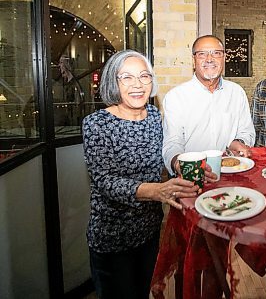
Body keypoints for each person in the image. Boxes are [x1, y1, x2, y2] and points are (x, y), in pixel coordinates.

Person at [82, 50, 200, 299]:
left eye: (144, 76)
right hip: (113, 239)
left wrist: (186, 170)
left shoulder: (155, 117)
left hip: (149, 232)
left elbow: (165, 158)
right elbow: (105, 181)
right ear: (113, 83)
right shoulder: (96, 124)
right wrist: (157, 191)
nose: (137, 84)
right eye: (126, 77)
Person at [162, 34, 255, 175]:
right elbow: (172, 143)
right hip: (193, 176)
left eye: (216, 53)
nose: (209, 59)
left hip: (232, 174)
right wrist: (180, 165)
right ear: (193, 61)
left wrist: (238, 141)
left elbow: (246, 130)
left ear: (224, 58)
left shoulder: (237, 93)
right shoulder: (176, 97)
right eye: (202, 54)